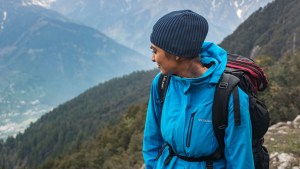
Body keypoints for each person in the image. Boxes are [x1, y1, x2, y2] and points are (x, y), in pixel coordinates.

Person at [142, 9, 254, 169]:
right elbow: (152, 139)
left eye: (155, 51)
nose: (153, 58)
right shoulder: (162, 83)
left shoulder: (229, 94)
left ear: (176, 53)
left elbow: (240, 160)